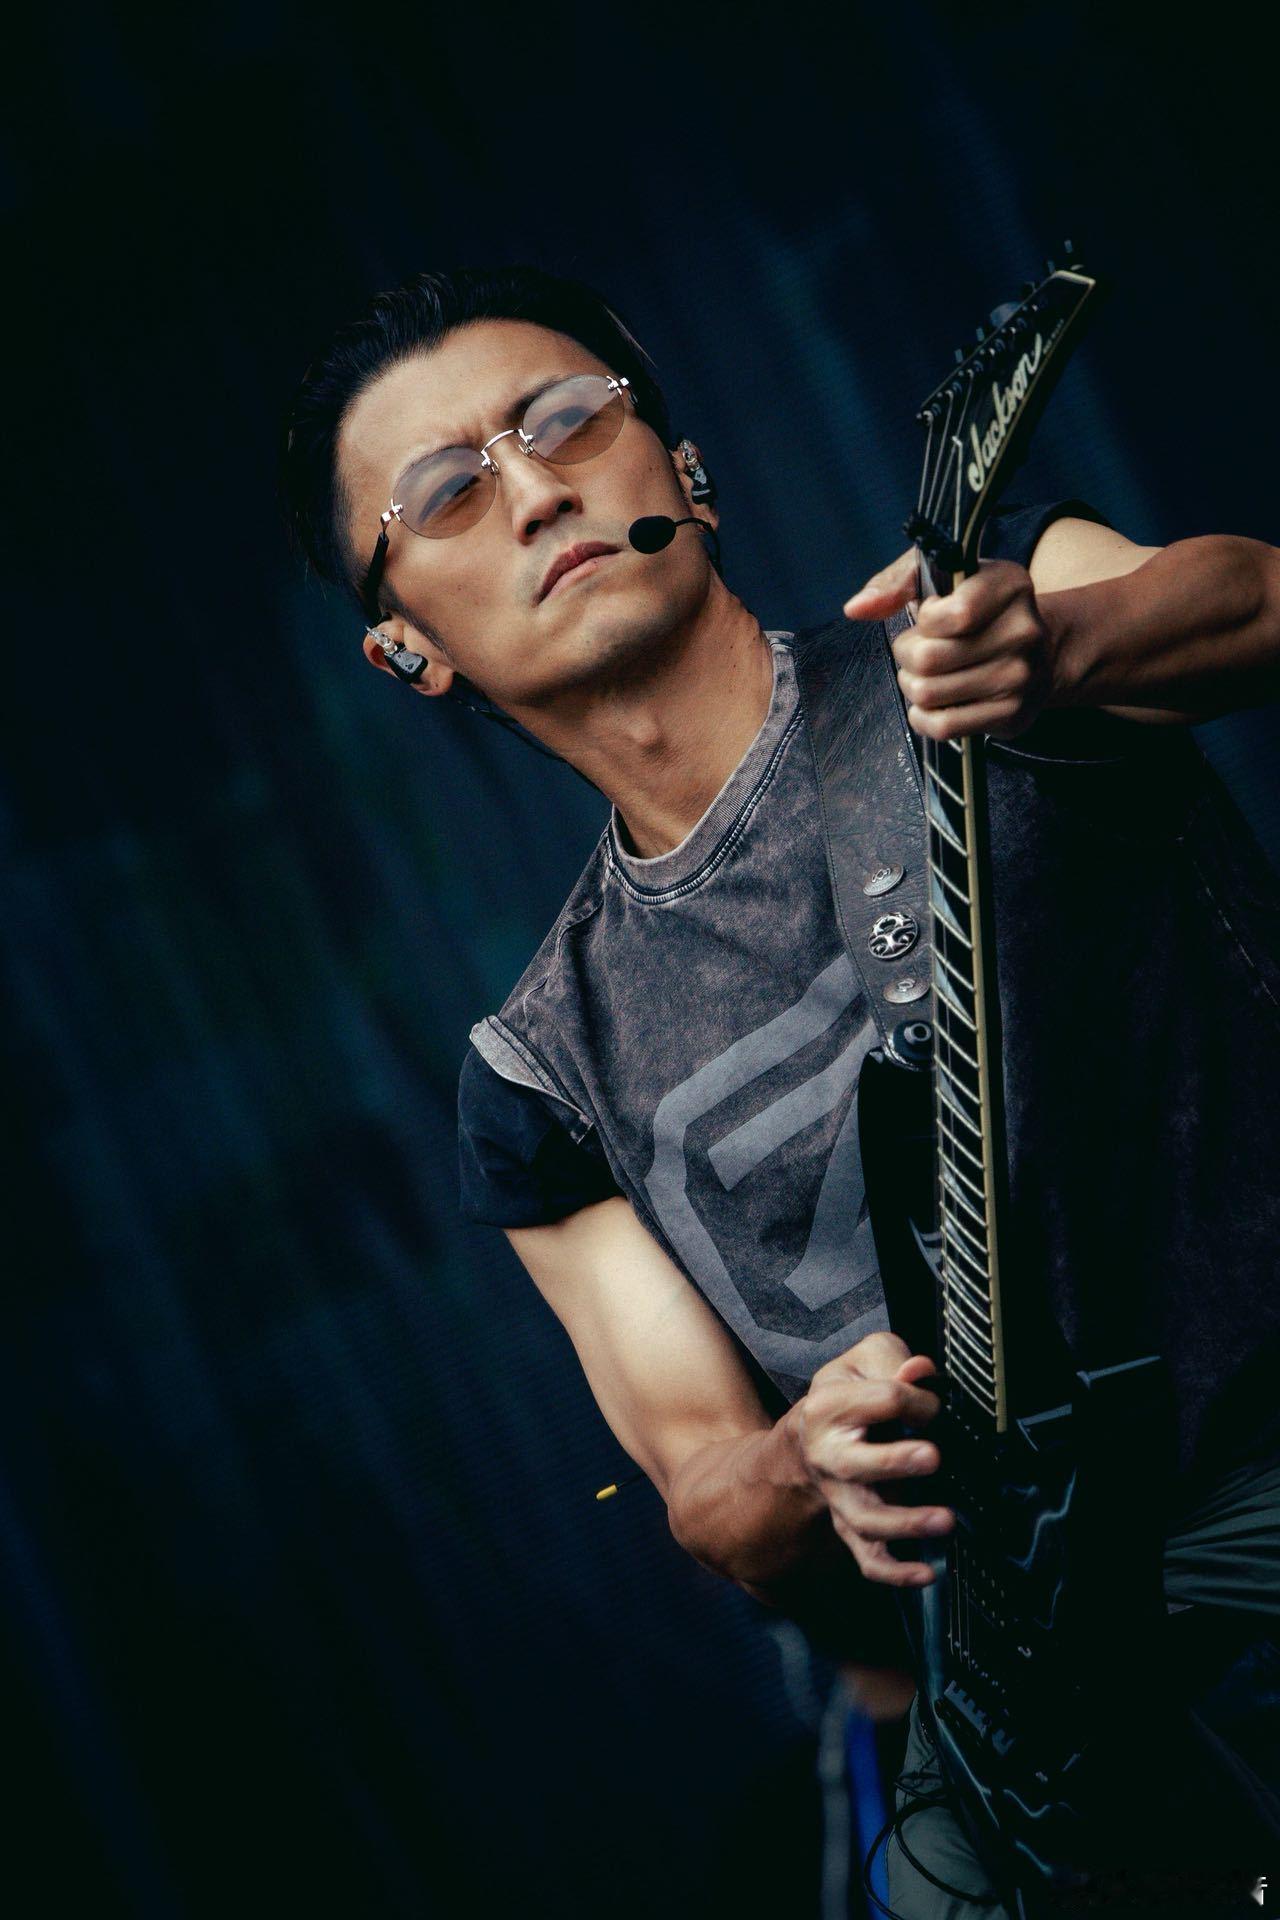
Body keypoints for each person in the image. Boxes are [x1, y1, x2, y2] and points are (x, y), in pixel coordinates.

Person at [281, 264, 1280, 1915]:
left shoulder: (977, 613)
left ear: (684, 472)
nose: (534, 488)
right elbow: (704, 1485)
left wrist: (1065, 644)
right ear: (406, 650)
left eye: (565, 419)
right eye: (447, 490)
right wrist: (804, 1464)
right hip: (1075, 1730)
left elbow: (1249, 602)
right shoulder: (538, 1075)